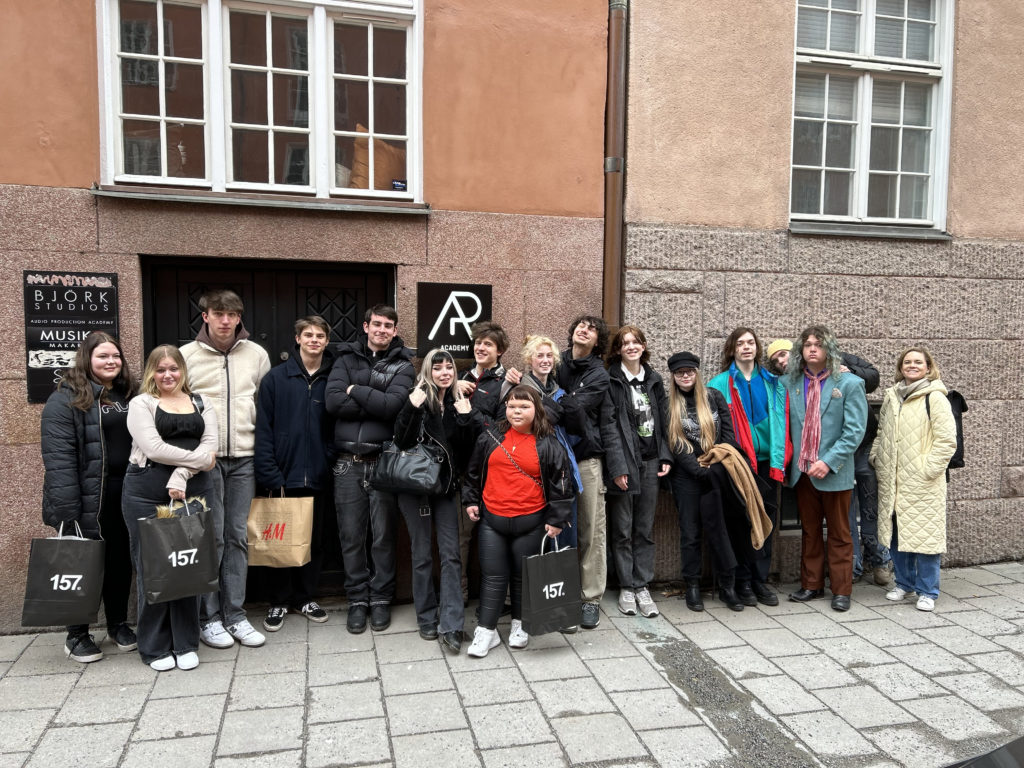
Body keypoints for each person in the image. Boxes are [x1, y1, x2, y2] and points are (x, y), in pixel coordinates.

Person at [40, 332, 138, 663]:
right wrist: (69, 511)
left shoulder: (128, 393)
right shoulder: (65, 399)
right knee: (82, 562)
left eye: (115, 356)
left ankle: (118, 623)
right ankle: (77, 633)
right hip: (85, 498)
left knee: (119, 562)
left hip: (124, 493)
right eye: (102, 356)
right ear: (87, 359)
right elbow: (59, 458)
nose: (111, 361)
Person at [181, 289, 270, 649]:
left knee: (237, 537)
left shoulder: (256, 354)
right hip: (207, 461)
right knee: (210, 537)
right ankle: (208, 618)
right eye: (218, 313)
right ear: (205, 316)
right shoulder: (186, 355)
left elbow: (265, 404)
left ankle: (235, 615)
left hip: (245, 459)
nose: (225, 320)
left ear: (239, 318)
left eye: (232, 314)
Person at [123, 345, 218, 671]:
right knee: (154, 567)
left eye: (173, 369)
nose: (167, 375)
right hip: (145, 493)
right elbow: (154, 448)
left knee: (187, 566)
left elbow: (211, 444)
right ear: (152, 372)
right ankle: (153, 646)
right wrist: (201, 461)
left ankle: (185, 642)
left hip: (191, 492)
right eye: (160, 369)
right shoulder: (141, 403)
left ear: (183, 371)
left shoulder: (202, 403)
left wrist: (182, 472)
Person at [462, 386, 574, 657]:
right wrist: (470, 500)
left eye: (524, 406)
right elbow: (473, 471)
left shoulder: (549, 443)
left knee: (523, 578)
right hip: (492, 521)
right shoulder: (490, 436)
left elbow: (562, 485)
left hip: (532, 522)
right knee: (493, 577)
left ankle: (520, 625)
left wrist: (557, 519)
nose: (517, 411)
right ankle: (486, 632)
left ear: (537, 410)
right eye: (512, 406)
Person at [325, 304, 415, 634]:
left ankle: (380, 599)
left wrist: (356, 390)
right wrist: (373, 400)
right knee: (350, 538)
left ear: (394, 331)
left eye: (388, 326)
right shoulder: (345, 360)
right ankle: (357, 601)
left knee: (383, 537)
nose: (381, 329)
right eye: (376, 323)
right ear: (365, 326)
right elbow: (333, 402)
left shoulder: (404, 366)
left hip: (383, 462)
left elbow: (393, 407)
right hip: (347, 464)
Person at [254, 316, 335, 632]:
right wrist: (270, 473)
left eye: (320, 336)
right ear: (298, 339)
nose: (314, 340)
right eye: (308, 335)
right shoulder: (276, 379)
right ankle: (278, 601)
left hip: (318, 473)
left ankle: (306, 598)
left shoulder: (332, 378)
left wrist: (327, 460)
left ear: (326, 342)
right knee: (281, 541)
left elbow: (335, 427)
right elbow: (264, 430)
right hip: (282, 476)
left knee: (313, 541)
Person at [393, 349, 473, 652]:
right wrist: (412, 410)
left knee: (451, 554)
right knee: (422, 552)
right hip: (415, 488)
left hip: (445, 488)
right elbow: (402, 441)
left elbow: (464, 455)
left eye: (448, 367)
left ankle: (452, 623)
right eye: (437, 367)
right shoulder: (417, 398)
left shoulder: (457, 403)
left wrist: (465, 420)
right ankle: (426, 615)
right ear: (428, 371)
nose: (444, 372)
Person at [784, 325, 867, 612]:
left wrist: (829, 461)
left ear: (829, 349)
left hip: (834, 472)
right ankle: (811, 585)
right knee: (809, 531)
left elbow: (854, 431)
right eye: (807, 344)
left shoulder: (849, 384)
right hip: (802, 471)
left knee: (840, 533)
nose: (812, 349)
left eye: (818, 344)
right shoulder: (791, 383)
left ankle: (842, 590)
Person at [871, 346, 957, 612]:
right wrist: (877, 456)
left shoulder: (935, 397)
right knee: (897, 534)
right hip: (894, 479)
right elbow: (882, 430)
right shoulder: (892, 396)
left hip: (922, 481)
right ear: (900, 367)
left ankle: (927, 590)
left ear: (928, 367)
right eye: (907, 361)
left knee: (926, 537)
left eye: (918, 362)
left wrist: (928, 470)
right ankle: (905, 583)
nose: (912, 365)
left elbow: (946, 441)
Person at [708, 328, 788, 606]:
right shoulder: (718, 384)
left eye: (751, 343)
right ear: (732, 349)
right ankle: (741, 581)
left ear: (757, 348)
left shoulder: (773, 383)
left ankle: (759, 580)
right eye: (740, 343)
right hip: (739, 464)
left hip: (769, 463)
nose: (746, 347)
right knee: (741, 521)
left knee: (766, 520)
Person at [557, 315, 627, 630]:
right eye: (581, 326)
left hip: (586, 459)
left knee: (591, 529)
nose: (585, 329)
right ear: (572, 333)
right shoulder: (555, 362)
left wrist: (543, 398)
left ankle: (590, 599)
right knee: (555, 528)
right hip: (553, 459)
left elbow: (572, 406)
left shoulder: (600, 375)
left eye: (593, 328)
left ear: (597, 342)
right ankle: (558, 595)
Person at [665, 352, 748, 612]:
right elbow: (677, 444)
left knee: (722, 530)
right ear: (674, 377)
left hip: (719, 471)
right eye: (680, 373)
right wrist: (700, 471)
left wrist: (716, 464)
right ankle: (692, 586)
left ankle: (727, 585)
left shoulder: (713, 396)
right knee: (690, 533)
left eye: (689, 371)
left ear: (697, 372)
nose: (685, 376)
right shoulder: (669, 404)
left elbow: (728, 434)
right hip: (687, 478)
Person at [605, 326, 672, 618]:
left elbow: (666, 421)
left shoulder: (654, 380)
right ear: (618, 349)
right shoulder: (612, 380)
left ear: (644, 346)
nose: (631, 347)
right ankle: (626, 586)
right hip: (624, 465)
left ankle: (642, 585)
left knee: (643, 529)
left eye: (636, 342)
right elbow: (608, 428)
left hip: (650, 462)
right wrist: (618, 467)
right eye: (625, 343)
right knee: (621, 529)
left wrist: (666, 456)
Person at [518, 334, 583, 546]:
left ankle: (562, 580)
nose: (545, 360)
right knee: (538, 540)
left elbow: (572, 435)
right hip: (533, 470)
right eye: (539, 356)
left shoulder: (561, 393)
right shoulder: (520, 390)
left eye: (549, 356)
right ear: (530, 360)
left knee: (564, 538)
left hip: (561, 471)